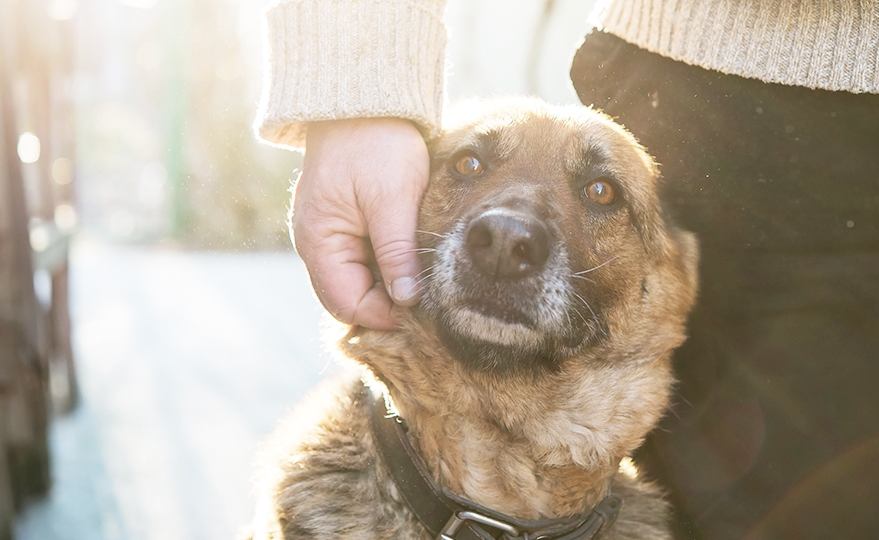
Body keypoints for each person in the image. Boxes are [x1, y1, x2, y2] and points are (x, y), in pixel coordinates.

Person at [255, 1, 879, 538]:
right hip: (697, 90)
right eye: (469, 167)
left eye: (600, 193)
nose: (508, 232)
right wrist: (358, 93)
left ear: (671, 278)